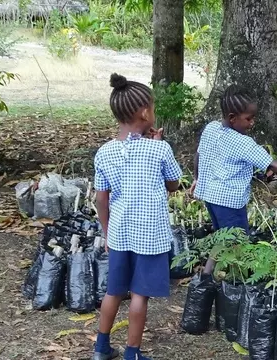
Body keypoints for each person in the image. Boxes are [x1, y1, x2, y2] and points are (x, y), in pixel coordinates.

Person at [92, 73, 182, 360]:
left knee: (114, 292)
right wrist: (157, 143)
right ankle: (132, 353)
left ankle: (101, 348)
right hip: (150, 236)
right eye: (152, 107)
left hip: (119, 233)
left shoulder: (104, 153)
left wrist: (106, 232)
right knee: (139, 295)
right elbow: (173, 184)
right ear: (145, 112)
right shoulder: (160, 149)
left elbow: (101, 198)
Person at [190, 85, 277, 275]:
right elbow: (272, 164)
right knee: (237, 242)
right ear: (232, 118)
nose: (252, 123)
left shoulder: (211, 128)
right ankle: (239, 280)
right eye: (248, 119)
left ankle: (207, 274)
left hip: (210, 196)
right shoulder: (243, 143)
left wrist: (197, 178)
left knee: (223, 237)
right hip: (229, 201)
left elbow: (199, 155)